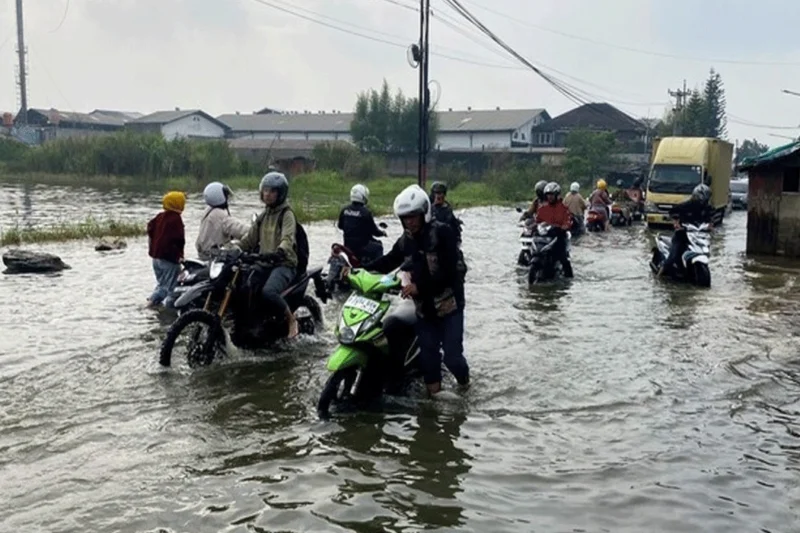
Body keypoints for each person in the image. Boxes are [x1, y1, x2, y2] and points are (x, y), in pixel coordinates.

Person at [361, 184, 469, 397]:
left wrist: (419, 287)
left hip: (449, 306)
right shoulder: (406, 240)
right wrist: (358, 271)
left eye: (413, 216)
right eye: (405, 218)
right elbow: (389, 260)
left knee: (452, 357)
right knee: (429, 358)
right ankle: (435, 405)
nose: (409, 221)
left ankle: (465, 386)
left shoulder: (442, 233)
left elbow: (450, 273)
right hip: (424, 309)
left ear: (423, 214)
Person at [239, 171, 301, 338]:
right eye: (265, 190)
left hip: (284, 263)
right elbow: (248, 240)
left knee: (269, 292)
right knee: (245, 285)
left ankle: (291, 319)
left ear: (280, 194)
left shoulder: (287, 214)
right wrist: (230, 248)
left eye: (272, 191)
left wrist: (280, 251)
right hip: (265, 262)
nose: (267, 194)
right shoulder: (264, 215)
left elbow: (287, 238)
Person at [657, 184, 714, 278]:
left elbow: (710, 219)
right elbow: (672, 212)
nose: (702, 202)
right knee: (673, 257)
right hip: (682, 235)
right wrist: (676, 223)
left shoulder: (707, 208)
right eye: (701, 200)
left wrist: (711, 225)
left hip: (698, 235)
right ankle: (658, 277)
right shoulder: (686, 205)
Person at [146, 191, 186, 308]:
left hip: (156, 259)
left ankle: (150, 304)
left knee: (161, 285)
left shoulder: (159, 216)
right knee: (172, 289)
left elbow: (150, 228)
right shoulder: (175, 219)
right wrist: (180, 256)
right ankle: (167, 313)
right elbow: (178, 239)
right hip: (169, 260)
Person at [195, 181, 249, 260]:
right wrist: (255, 230)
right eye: (226, 195)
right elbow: (238, 228)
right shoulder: (220, 215)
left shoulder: (208, 210)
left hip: (203, 253)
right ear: (220, 197)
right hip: (214, 256)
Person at [337, 184, 386, 263]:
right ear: (363, 196)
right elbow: (374, 231)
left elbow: (340, 226)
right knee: (378, 247)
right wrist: (382, 233)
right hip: (362, 246)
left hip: (348, 246)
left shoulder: (344, 210)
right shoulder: (366, 212)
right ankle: (378, 270)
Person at [535, 182, 574, 277]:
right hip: (544, 237)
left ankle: (569, 277)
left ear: (556, 195)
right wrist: (532, 226)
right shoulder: (542, 208)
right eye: (548, 195)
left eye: (552, 195)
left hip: (558, 237)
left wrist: (564, 227)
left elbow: (568, 221)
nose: (550, 197)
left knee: (563, 258)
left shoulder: (563, 209)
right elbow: (537, 220)